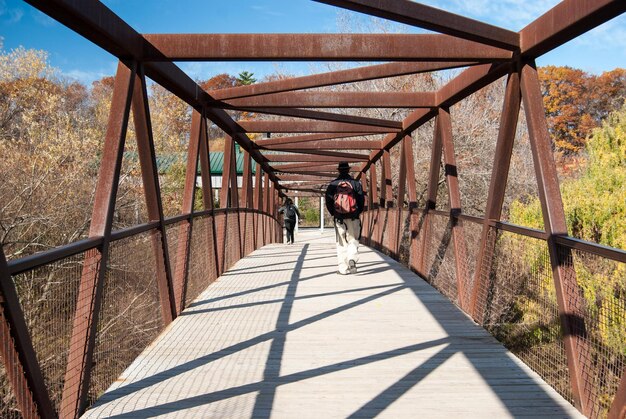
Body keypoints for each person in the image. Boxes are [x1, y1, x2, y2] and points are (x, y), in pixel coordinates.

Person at [325, 161, 365, 275]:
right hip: (353, 216)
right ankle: (352, 258)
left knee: (341, 242)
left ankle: (343, 269)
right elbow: (361, 200)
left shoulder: (333, 184)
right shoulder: (356, 183)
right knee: (353, 239)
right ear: (348, 170)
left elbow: (328, 201)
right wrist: (357, 212)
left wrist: (334, 213)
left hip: (339, 218)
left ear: (338, 170)